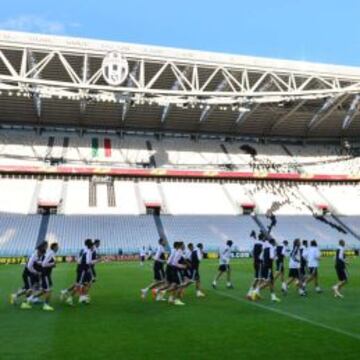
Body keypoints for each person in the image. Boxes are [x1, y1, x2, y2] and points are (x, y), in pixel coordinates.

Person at [10, 242, 47, 309]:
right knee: (29, 288)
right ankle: (21, 300)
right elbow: (29, 266)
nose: (42, 254)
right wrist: (36, 272)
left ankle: (20, 296)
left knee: (32, 287)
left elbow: (39, 263)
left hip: (33, 274)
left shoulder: (40, 255)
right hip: (28, 274)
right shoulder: (34, 256)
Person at [60, 239, 95, 305]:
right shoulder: (88, 252)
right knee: (79, 284)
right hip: (83, 269)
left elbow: (80, 259)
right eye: (93, 245)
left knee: (84, 283)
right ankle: (71, 298)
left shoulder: (84, 250)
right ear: (90, 246)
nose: (94, 247)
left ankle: (80, 297)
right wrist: (96, 261)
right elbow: (88, 262)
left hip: (82, 268)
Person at [251, 238, 281, 302]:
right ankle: (256, 291)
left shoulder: (265, 249)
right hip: (268, 267)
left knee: (271, 282)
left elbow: (260, 257)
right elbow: (271, 257)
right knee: (268, 282)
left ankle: (273, 297)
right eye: (274, 242)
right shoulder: (271, 248)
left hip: (264, 266)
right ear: (272, 242)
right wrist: (276, 255)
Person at [39, 242, 59, 311]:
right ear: (54, 247)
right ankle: (46, 305)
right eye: (57, 247)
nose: (58, 248)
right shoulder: (50, 253)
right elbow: (44, 264)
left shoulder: (51, 253)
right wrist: (52, 264)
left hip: (47, 274)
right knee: (48, 290)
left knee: (45, 290)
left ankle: (32, 298)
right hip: (45, 274)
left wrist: (52, 264)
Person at [246, 231, 264, 299]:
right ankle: (253, 293)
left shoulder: (255, 243)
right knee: (260, 279)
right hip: (260, 262)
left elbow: (253, 252)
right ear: (263, 237)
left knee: (257, 278)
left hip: (255, 262)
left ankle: (251, 293)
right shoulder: (262, 244)